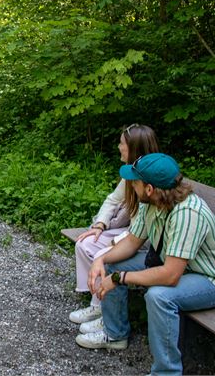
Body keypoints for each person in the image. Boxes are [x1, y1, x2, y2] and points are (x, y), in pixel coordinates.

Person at [76, 153, 215, 376]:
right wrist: (101, 259)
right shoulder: (150, 203)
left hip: (213, 280)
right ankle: (115, 335)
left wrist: (119, 278)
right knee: (114, 263)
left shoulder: (188, 213)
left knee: (159, 296)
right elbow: (132, 243)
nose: (131, 186)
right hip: (179, 267)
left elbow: (170, 276)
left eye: (135, 181)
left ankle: (166, 372)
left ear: (150, 188)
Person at [68, 124, 159, 333]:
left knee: (103, 253)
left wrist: (114, 243)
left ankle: (105, 311)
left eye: (122, 143)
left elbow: (144, 231)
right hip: (131, 233)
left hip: (143, 240)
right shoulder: (131, 173)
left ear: (134, 149)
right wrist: (100, 225)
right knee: (85, 242)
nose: (118, 147)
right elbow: (113, 200)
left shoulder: (150, 179)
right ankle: (96, 306)